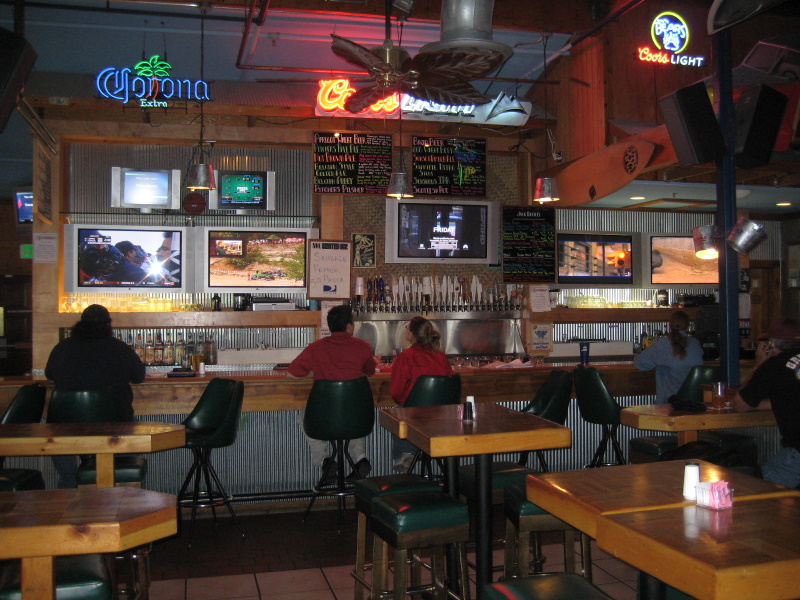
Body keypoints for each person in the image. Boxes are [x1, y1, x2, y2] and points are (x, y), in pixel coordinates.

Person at [44, 304, 146, 488]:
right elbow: (139, 377)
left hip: (66, 426)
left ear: (80, 324)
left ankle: (69, 482)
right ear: (108, 325)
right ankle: (121, 479)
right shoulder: (119, 348)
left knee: (56, 431)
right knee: (129, 428)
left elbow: (49, 374)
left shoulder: (62, 348)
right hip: (115, 424)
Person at [287, 304, 375, 482]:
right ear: (349, 326)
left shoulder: (316, 347)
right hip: (357, 419)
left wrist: (315, 371)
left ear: (330, 326)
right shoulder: (363, 346)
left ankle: (324, 460)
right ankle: (360, 459)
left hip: (323, 420)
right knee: (353, 409)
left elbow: (291, 374)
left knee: (304, 415)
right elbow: (369, 371)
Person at [733, 317, 800, 488]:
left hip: (797, 453)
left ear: (772, 344)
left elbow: (740, 404)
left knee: (757, 489)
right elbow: (789, 398)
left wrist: (758, 365)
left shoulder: (774, 365)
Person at [389, 316, 453, 472]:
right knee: (413, 413)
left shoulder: (406, 356)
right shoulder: (441, 357)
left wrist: (409, 402)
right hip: (441, 417)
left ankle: (406, 454)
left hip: (415, 417)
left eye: (407, 328)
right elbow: (450, 386)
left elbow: (396, 393)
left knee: (397, 412)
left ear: (411, 333)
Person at [633, 310, 704, 404]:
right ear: (688, 326)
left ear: (669, 325)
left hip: (669, 405)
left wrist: (656, 363)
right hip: (695, 404)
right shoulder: (695, 344)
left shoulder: (663, 345)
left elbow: (639, 362)